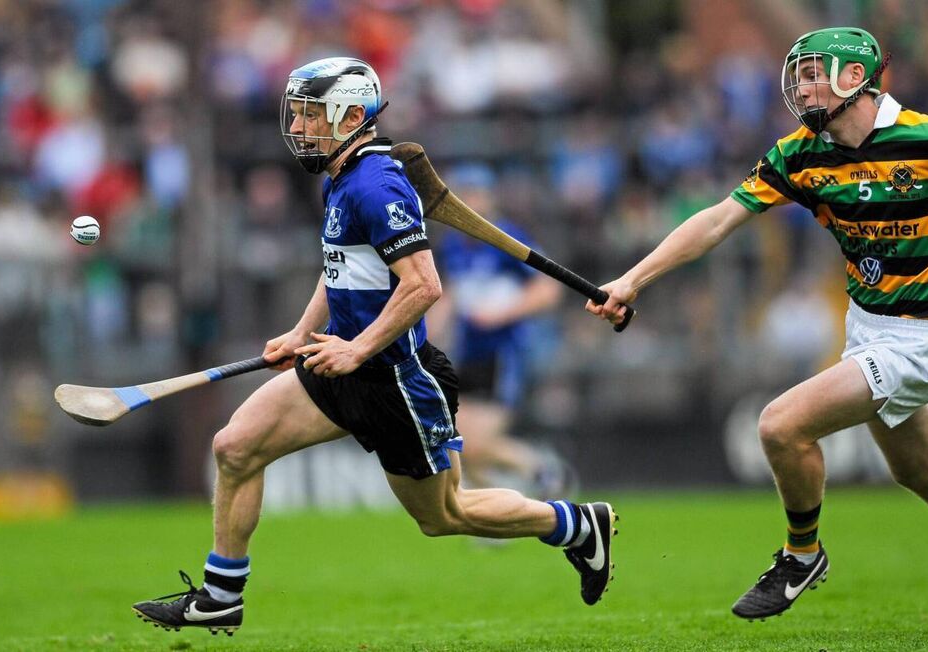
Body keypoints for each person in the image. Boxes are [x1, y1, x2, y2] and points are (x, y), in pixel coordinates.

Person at [588, 27, 928, 629]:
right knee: (919, 471)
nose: (801, 87)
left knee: (779, 426)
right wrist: (632, 280)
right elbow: (717, 220)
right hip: (867, 329)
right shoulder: (800, 154)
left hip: (920, 341)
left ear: (855, 78)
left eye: (813, 74)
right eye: (798, 76)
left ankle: (802, 555)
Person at [132, 57, 617, 636]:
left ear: (351, 116)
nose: (299, 127)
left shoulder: (376, 185)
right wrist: (302, 331)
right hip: (338, 365)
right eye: (298, 114)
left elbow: (424, 286)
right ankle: (221, 595)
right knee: (235, 447)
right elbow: (340, 266)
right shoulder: (339, 178)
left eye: (312, 115)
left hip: (396, 380)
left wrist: (357, 349)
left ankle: (575, 525)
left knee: (445, 514)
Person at [430, 164, 569, 497]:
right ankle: (499, 510)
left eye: (475, 194)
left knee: (474, 444)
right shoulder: (452, 246)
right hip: (468, 353)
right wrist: (430, 328)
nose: (468, 203)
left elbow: (549, 289)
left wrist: (501, 314)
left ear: (489, 199)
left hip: (503, 353)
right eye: (461, 196)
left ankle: (541, 468)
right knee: (456, 444)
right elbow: (452, 293)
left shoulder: (507, 239)